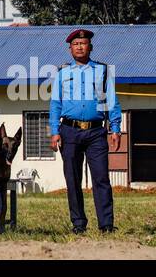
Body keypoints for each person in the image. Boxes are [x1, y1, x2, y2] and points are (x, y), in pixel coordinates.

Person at [48, 28, 121, 233]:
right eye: (76, 44)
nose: (80, 47)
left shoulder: (103, 71)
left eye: (83, 43)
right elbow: (55, 104)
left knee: (101, 178)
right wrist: (54, 131)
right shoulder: (62, 73)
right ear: (70, 49)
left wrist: (115, 128)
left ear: (90, 46)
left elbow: (112, 101)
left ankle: (106, 225)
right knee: (72, 179)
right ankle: (78, 224)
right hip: (69, 131)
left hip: (96, 132)